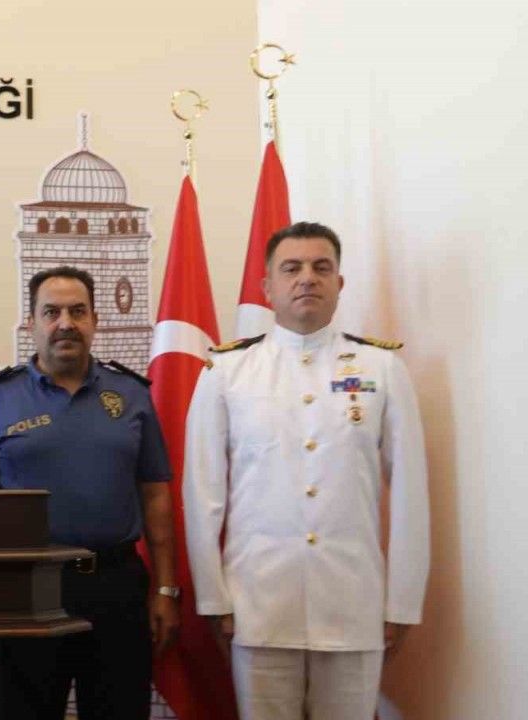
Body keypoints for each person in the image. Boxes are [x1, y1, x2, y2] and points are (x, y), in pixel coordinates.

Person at [183, 221, 429, 720]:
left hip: (353, 603)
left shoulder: (381, 369)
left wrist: (402, 601)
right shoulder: (227, 372)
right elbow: (202, 494)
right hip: (258, 603)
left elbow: (410, 493)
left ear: (340, 282)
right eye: (291, 268)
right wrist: (214, 598)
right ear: (267, 287)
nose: (307, 278)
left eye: (322, 267)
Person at [0, 266, 180, 720]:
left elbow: (155, 495)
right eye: (52, 312)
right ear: (31, 323)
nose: (65, 323)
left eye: (77, 311)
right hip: (28, 590)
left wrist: (165, 588)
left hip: (116, 586)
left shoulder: (131, 394)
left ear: (94, 321)